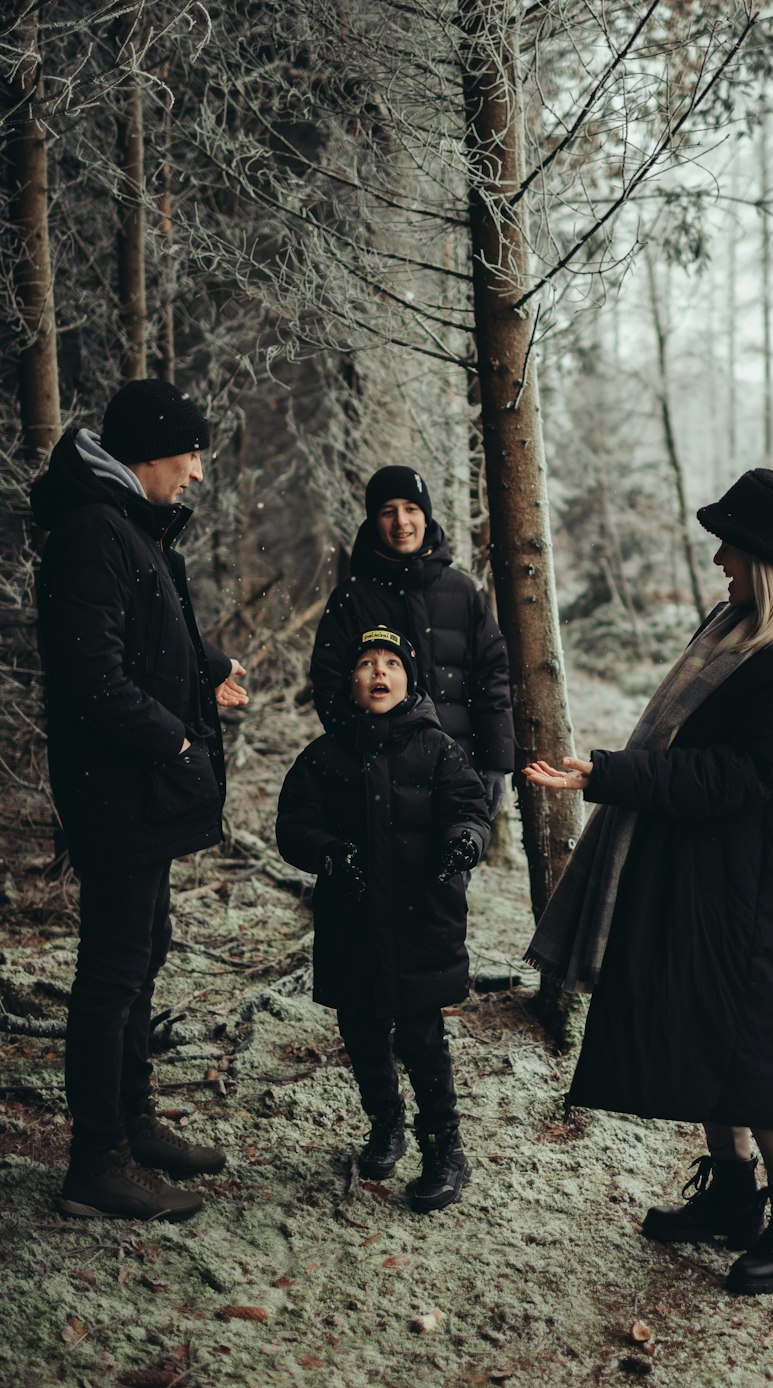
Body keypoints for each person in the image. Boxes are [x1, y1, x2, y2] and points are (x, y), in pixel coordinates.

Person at [524, 468, 773, 1296]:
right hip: (716, 870)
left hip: (770, 881)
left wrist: (610, 773)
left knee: (759, 1047)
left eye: (731, 544)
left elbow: (737, 777)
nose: (718, 557)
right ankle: (733, 1196)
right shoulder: (740, 630)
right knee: (708, 1031)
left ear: (766, 559)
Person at [31, 379, 248, 1222]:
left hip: (138, 791)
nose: (197, 473)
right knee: (113, 970)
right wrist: (177, 739)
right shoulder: (94, 532)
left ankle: (132, 1119)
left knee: (144, 949)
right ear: (150, 454)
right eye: (191, 456)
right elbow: (92, 679)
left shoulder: (128, 529)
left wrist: (207, 668)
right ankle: (97, 1162)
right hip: (117, 789)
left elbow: (144, 643)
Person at [276, 624, 489, 1213]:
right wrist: (326, 850)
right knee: (362, 1030)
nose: (378, 673)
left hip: (423, 916)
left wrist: (464, 841)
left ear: (408, 680)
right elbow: (292, 825)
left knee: (422, 1035)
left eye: (390, 664)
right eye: (366, 663)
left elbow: (471, 808)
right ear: (351, 682)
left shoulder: (439, 749)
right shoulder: (324, 754)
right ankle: (384, 1122)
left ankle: (445, 1147)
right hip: (351, 920)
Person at [310, 465, 513, 817]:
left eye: (411, 509)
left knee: (449, 871)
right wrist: (363, 742)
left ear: (426, 515)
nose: (401, 522)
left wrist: (496, 763)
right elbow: (329, 685)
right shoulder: (351, 597)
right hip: (374, 780)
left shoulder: (463, 592)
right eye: (388, 511)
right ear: (374, 520)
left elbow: (492, 679)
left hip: (457, 773)